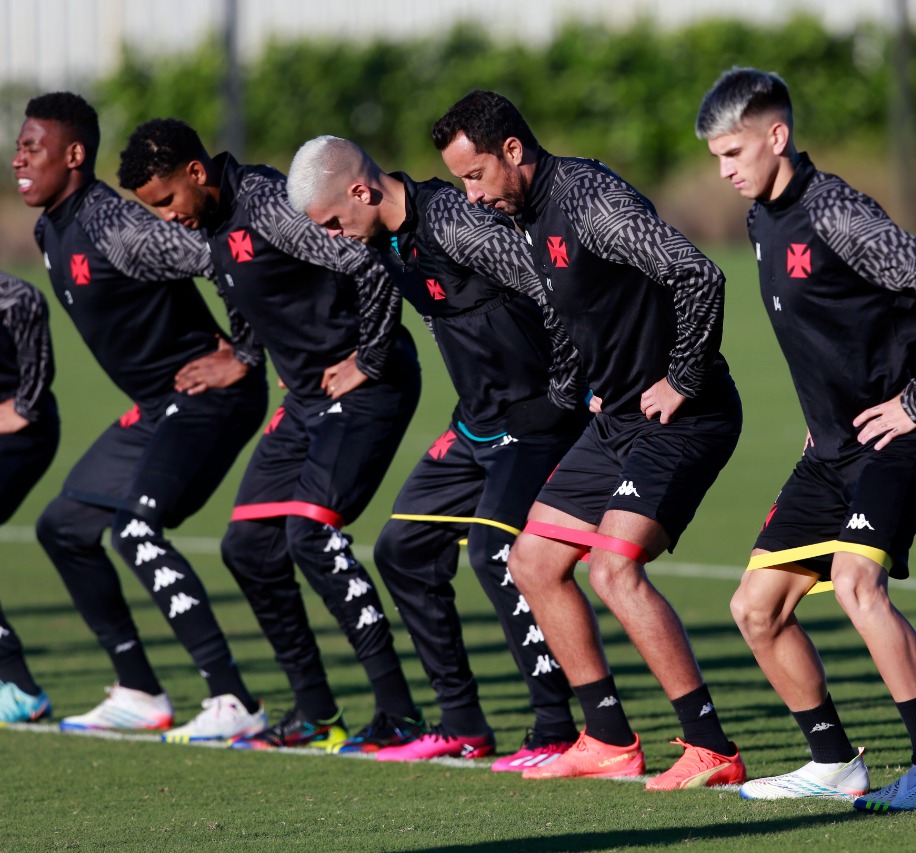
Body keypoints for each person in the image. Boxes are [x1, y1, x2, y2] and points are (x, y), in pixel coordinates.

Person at [432, 90, 746, 790]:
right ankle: (606, 736)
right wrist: (574, 395)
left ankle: (709, 745)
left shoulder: (590, 201)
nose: (471, 195)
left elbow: (698, 273)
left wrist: (683, 379)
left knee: (613, 568)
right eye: (459, 182)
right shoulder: (525, 214)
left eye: (475, 174)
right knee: (533, 560)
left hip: (682, 417)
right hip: (618, 420)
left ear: (513, 151)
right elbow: (570, 311)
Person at [697, 68, 916, 810]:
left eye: (732, 153)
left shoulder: (837, 212)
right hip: (827, 454)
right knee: (755, 608)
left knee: (856, 583)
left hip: (897, 441)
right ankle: (832, 762)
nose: (723, 171)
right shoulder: (761, 218)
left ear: (776, 137)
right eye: (717, 158)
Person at [117, 118, 423, 753]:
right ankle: (316, 713)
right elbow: (247, 291)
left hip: (365, 389)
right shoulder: (213, 223)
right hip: (309, 401)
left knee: (309, 535)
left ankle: (400, 713)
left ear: (197, 175)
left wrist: (368, 359)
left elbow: (367, 263)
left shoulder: (266, 205)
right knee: (247, 546)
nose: (167, 216)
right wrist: (247, 355)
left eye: (167, 200)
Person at [284, 134, 584, 770]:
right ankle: (462, 723)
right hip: (475, 424)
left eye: (335, 222)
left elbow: (557, 285)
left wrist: (566, 394)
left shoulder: (454, 221)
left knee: (494, 553)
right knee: (402, 549)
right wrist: (365, 359)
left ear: (362, 192)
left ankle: (557, 725)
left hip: (533, 421)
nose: (334, 236)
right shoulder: (385, 240)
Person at [14, 92, 268, 742]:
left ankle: (232, 697)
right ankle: (138, 689)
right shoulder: (51, 227)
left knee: (135, 529)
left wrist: (242, 353)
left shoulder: (113, 227)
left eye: (31, 146)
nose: (18, 157)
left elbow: (233, 258)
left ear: (73, 155)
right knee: (64, 526)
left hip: (212, 397)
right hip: (159, 407)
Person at [0, 269, 59, 724]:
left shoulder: (11, 298)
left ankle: (18, 687)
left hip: (19, 435)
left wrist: (25, 403)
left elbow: (25, 296)